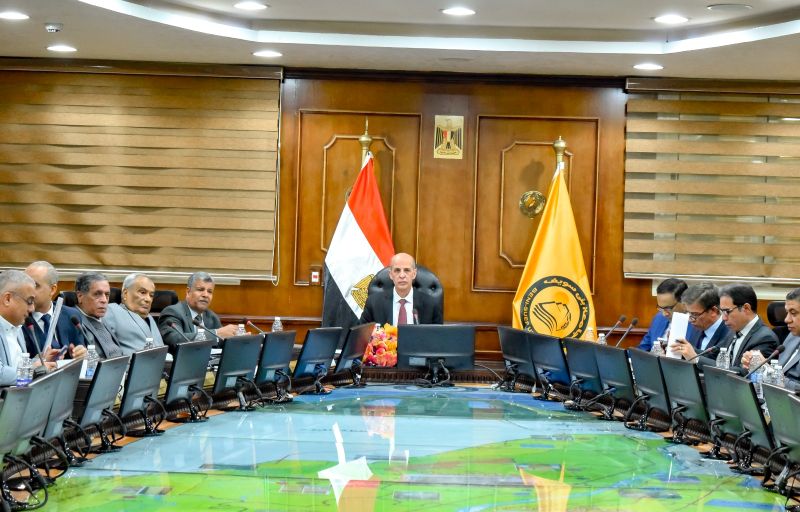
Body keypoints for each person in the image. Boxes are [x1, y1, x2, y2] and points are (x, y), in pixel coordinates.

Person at [0, 270, 57, 386]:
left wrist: (40, 361)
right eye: (30, 301)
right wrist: (34, 371)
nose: (32, 309)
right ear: (7, 299)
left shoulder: (18, 327)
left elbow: (17, 366)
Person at [157, 272, 238, 352]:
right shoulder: (173, 312)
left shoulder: (212, 317)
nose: (205, 295)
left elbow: (221, 344)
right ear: (188, 292)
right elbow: (175, 340)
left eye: (209, 291)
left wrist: (235, 339)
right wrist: (216, 334)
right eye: (200, 290)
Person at [23, 261, 86, 359]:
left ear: (52, 289)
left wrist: (80, 354)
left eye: (35, 286)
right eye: (25, 285)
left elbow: (80, 352)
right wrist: (36, 362)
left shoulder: (71, 316)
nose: (28, 291)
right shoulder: (18, 318)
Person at [360, 253, 443, 325]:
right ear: (390, 274)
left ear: (414, 274)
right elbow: (361, 335)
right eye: (397, 270)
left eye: (407, 270)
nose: (402, 275)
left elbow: (438, 335)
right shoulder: (374, 302)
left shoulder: (431, 304)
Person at [716, 283, 777, 373]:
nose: (724, 318)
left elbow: (742, 373)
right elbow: (714, 354)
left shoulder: (765, 338)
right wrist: (693, 353)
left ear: (746, 308)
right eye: (722, 312)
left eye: (727, 311)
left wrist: (697, 360)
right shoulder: (735, 329)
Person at [667, 282, 730, 368]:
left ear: (713, 311)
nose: (690, 319)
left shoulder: (729, 333)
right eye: (688, 313)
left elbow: (726, 368)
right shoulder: (698, 325)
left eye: (694, 314)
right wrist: (676, 350)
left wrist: (695, 358)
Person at [103, 273, 165, 355]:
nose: (148, 299)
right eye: (142, 292)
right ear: (125, 293)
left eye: (151, 295)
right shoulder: (111, 311)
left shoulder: (150, 318)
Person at [75, 272, 124, 359]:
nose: (104, 300)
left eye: (107, 295)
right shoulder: (74, 322)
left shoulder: (101, 317)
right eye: (97, 294)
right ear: (80, 296)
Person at [637, 278, 693, 351]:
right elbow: (643, 348)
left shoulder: (696, 325)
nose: (664, 314)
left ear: (684, 302)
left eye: (668, 308)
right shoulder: (658, 318)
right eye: (661, 308)